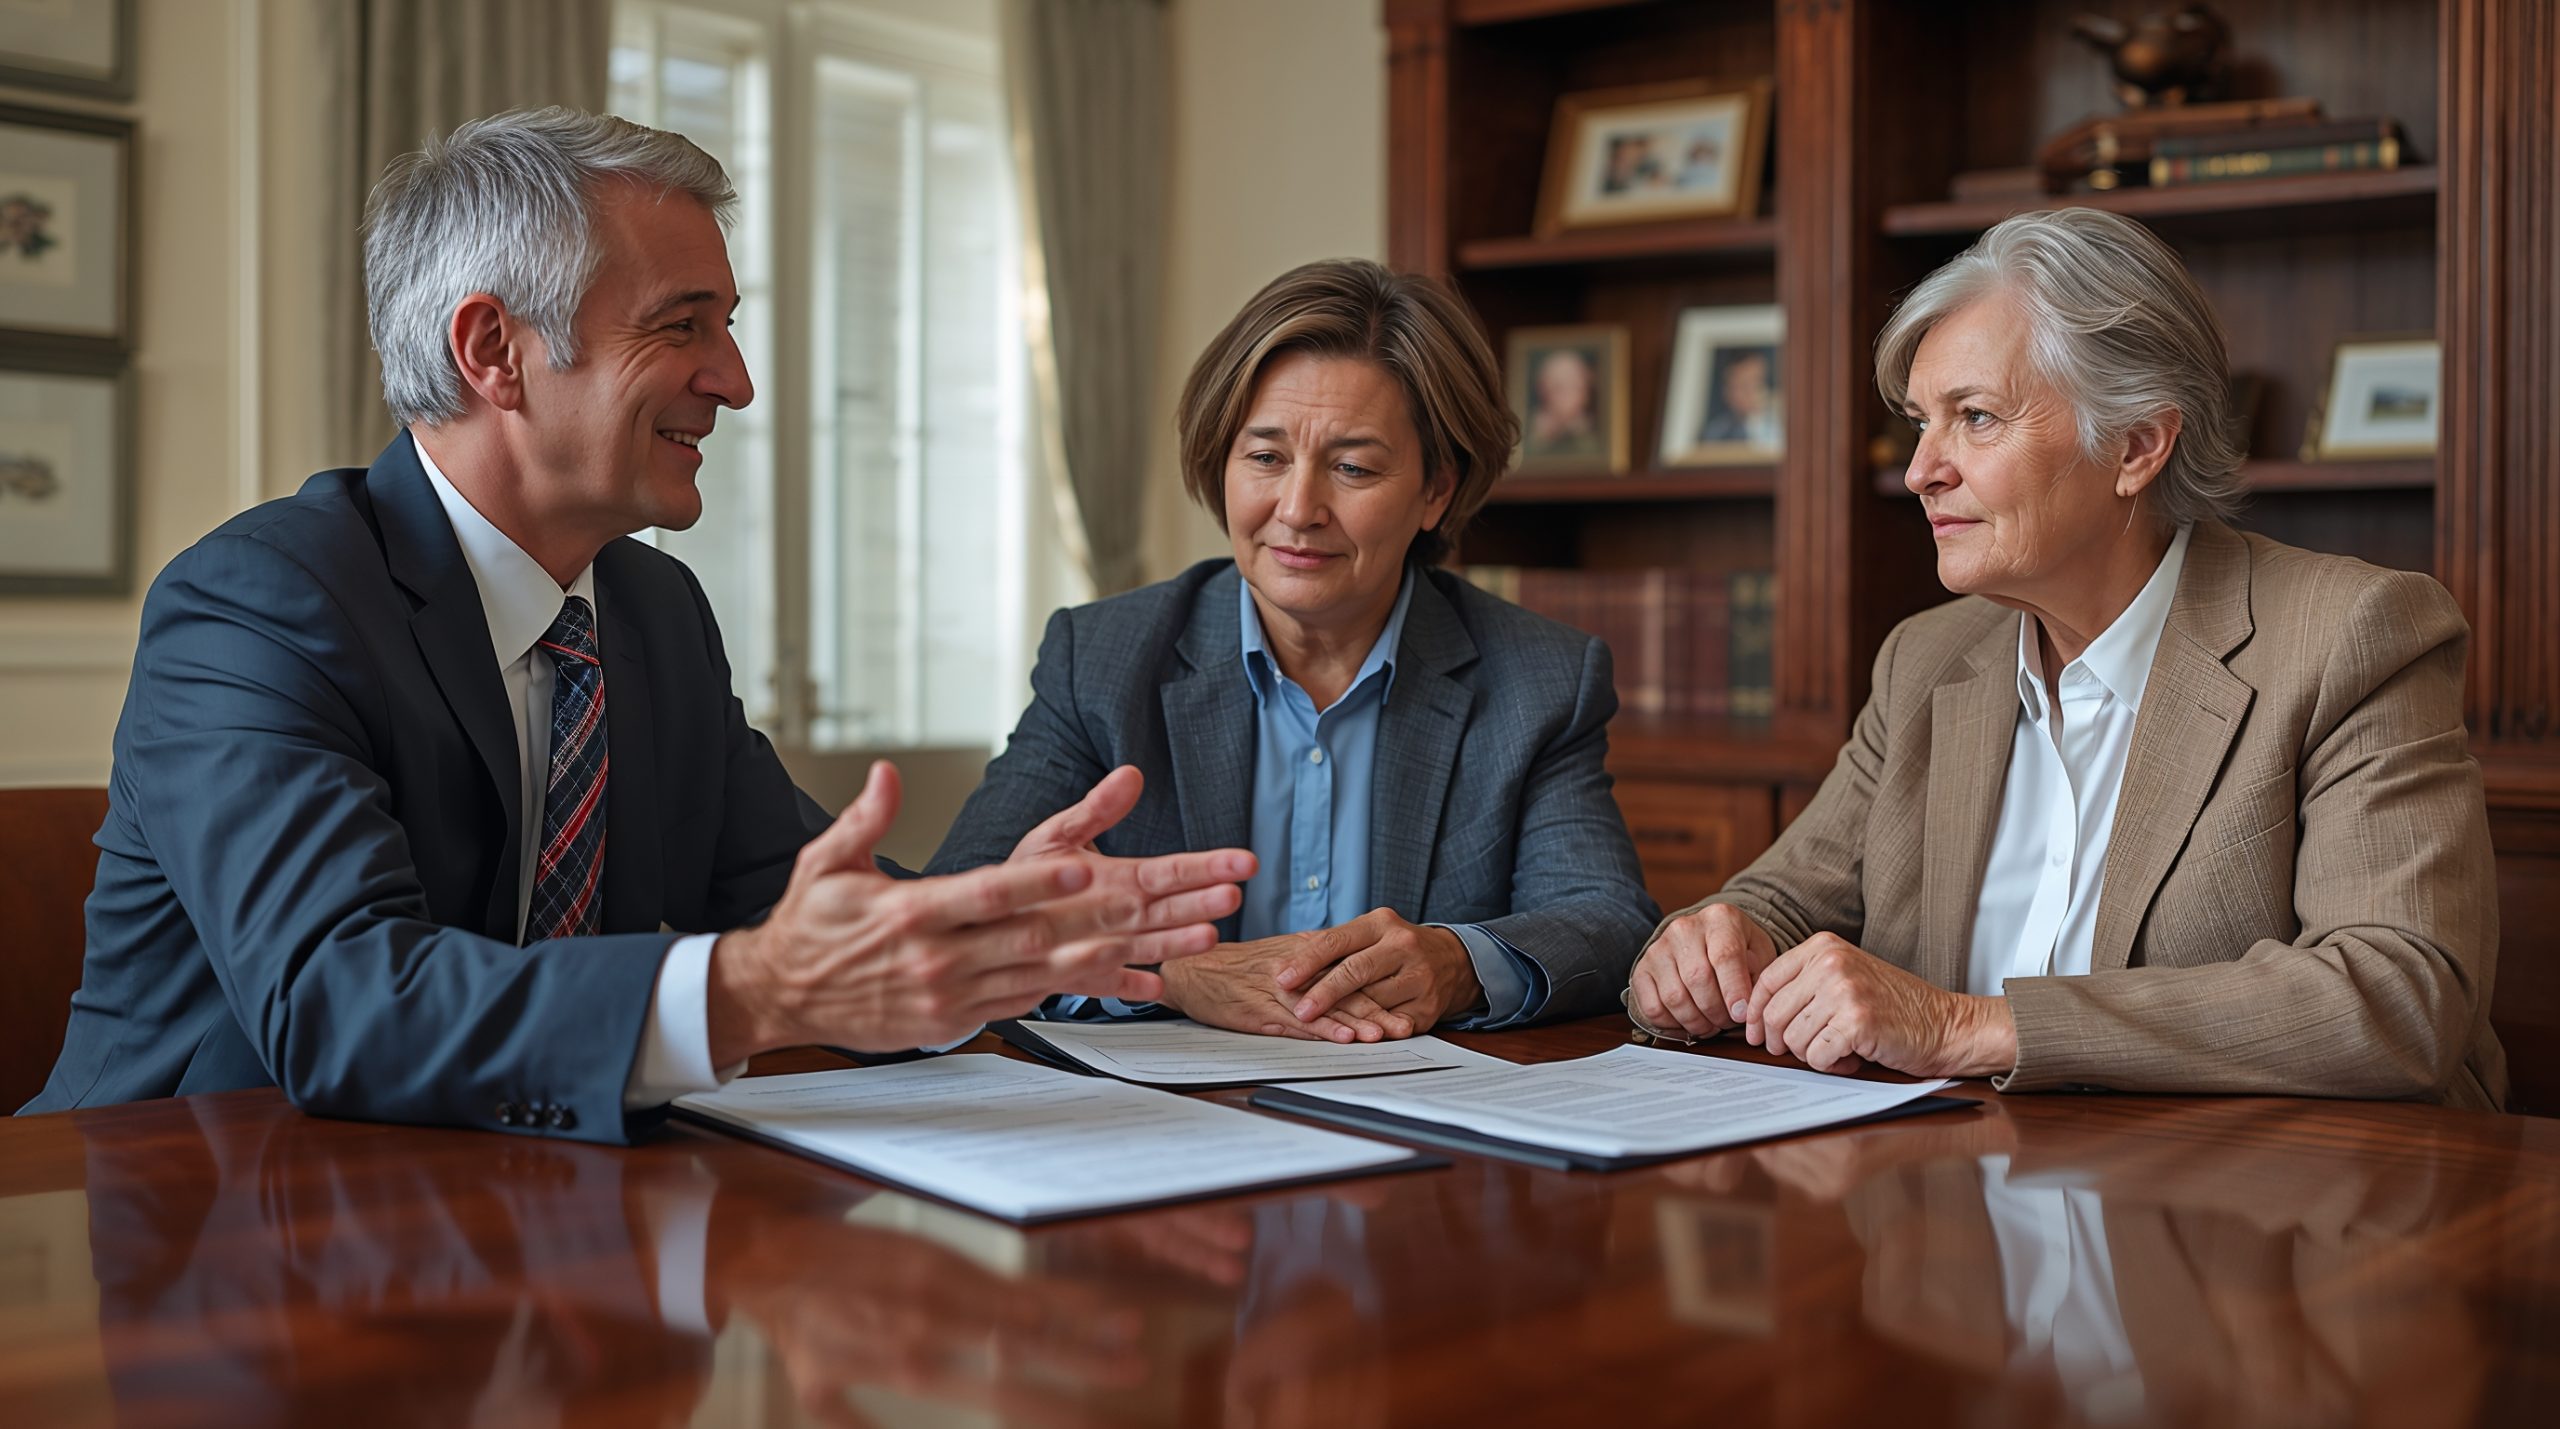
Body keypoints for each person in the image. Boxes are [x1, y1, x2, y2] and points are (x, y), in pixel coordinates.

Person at [21, 108, 1254, 1138]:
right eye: (684, 325)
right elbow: (342, 1005)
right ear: (494, 349)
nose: (736, 379)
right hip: (163, 1239)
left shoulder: (654, 614)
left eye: (728, 324)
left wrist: (989, 933)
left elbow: (796, 910)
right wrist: (753, 989)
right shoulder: (256, 605)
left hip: (523, 1232)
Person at [1625, 207, 2505, 1108]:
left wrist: (1966, 1027)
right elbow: (1782, 900)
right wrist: (1712, 943)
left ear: (2135, 446)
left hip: (2275, 1207)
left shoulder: (2351, 632)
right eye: (1920, 423)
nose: (1920, 469)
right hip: (1962, 1196)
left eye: (1974, 418)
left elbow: (2401, 992)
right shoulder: (1925, 660)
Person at [926, 258, 1658, 1040]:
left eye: (1352, 467)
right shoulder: (1103, 659)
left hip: (1422, 1130)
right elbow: (939, 924)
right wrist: (1174, 979)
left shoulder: (1539, 679)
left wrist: (1454, 961)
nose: (1299, 509)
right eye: (1267, 457)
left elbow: (1607, 923)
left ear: (1436, 490)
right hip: (1161, 1127)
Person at [1524, 346, 1604, 459]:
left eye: (1575, 387)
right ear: (1543, 390)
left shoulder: (1589, 433)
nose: (1568, 397)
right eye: (1559, 388)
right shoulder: (1530, 432)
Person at [1698, 347, 1778, 447]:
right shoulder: (1716, 434)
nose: (1751, 392)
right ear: (1727, 393)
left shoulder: (1784, 425)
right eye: (1743, 386)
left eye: (1757, 382)